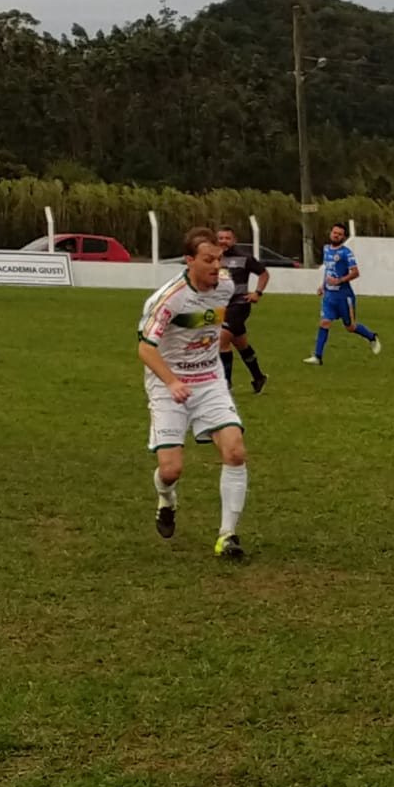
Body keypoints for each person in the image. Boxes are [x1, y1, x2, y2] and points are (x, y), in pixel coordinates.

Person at [138, 227, 249, 559]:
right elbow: (145, 349)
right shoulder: (169, 299)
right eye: (208, 260)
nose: (217, 266)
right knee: (171, 470)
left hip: (210, 380)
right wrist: (172, 382)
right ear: (189, 260)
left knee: (235, 451)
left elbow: (223, 323)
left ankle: (227, 536)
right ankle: (166, 500)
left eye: (219, 259)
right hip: (168, 383)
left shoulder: (225, 286)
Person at [303, 223, 381, 365]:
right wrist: (323, 286)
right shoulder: (326, 249)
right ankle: (318, 357)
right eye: (334, 233)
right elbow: (328, 271)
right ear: (331, 233)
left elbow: (355, 272)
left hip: (344, 297)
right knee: (324, 322)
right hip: (329, 296)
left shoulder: (346, 253)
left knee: (350, 327)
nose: (336, 235)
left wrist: (339, 280)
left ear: (343, 237)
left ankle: (372, 337)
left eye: (339, 234)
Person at [216, 225, 269, 393]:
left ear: (234, 240)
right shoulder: (214, 257)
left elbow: (264, 273)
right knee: (241, 344)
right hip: (221, 305)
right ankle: (259, 377)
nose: (224, 241)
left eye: (227, 238)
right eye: (221, 238)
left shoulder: (245, 257)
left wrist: (257, 292)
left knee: (222, 339)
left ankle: (226, 385)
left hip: (239, 304)